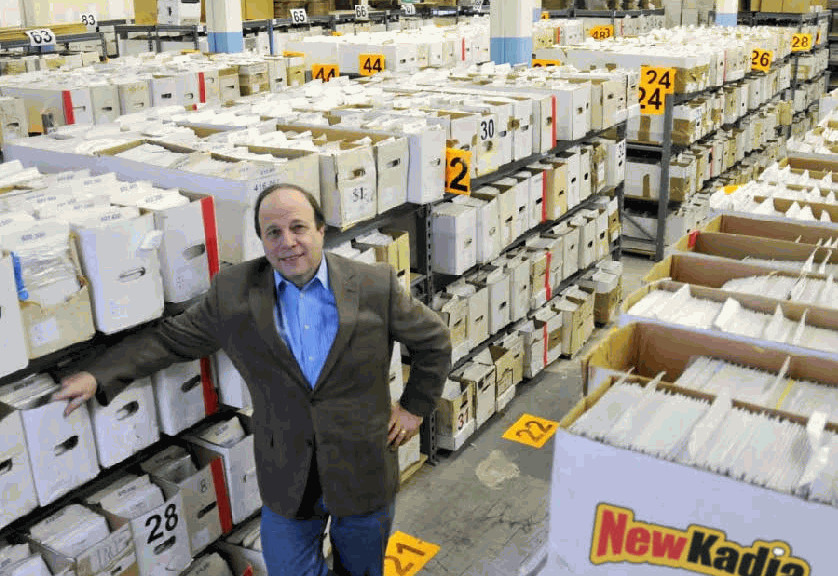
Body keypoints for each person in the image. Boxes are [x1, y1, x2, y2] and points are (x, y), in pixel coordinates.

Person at [56, 183, 452, 576]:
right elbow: (171, 339)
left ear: (321, 230)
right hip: (287, 473)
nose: (287, 242)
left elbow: (433, 340)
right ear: (261, 240)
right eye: (273, 232)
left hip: (363, 468)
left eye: (298, 228)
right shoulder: (235, 293)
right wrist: (98, 374)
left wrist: (414, 407)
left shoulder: (373, 285)